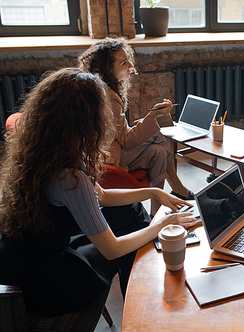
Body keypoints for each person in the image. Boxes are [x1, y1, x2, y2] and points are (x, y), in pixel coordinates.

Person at [0, 68, 197, 317]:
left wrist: (152, 193)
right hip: (45, 282)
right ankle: (140, 312)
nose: (106, 120)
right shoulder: (70, 177)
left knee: (132, 212)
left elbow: (101, 196)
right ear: (86, 121)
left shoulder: (45, 151)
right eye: (101, 113)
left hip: (21, 260)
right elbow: (111, 249)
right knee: (134, 238)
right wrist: (159, 227)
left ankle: (139, 301)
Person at [78, 37, 192, 215]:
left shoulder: (102, 88)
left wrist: (153, 116)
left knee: (159, 150)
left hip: (112, 147)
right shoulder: (109, 96)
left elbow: (120, 132)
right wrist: (154, 115)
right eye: (124, 63)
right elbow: (127, 140)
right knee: (160, 141)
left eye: (129, 59)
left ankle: (159, 208)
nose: (131, 65)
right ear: (107, 69)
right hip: (110, 155)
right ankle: (172, 193)